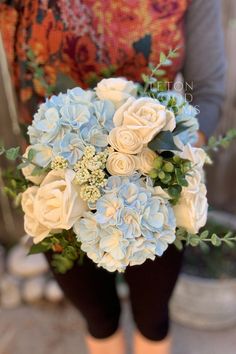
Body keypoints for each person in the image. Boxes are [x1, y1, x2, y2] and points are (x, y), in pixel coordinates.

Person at [0, 0, 225, 353]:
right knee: (98, 317)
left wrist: (174, 154)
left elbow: (206, 90)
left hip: (154, 184)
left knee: (153, 317)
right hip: (57, 180)